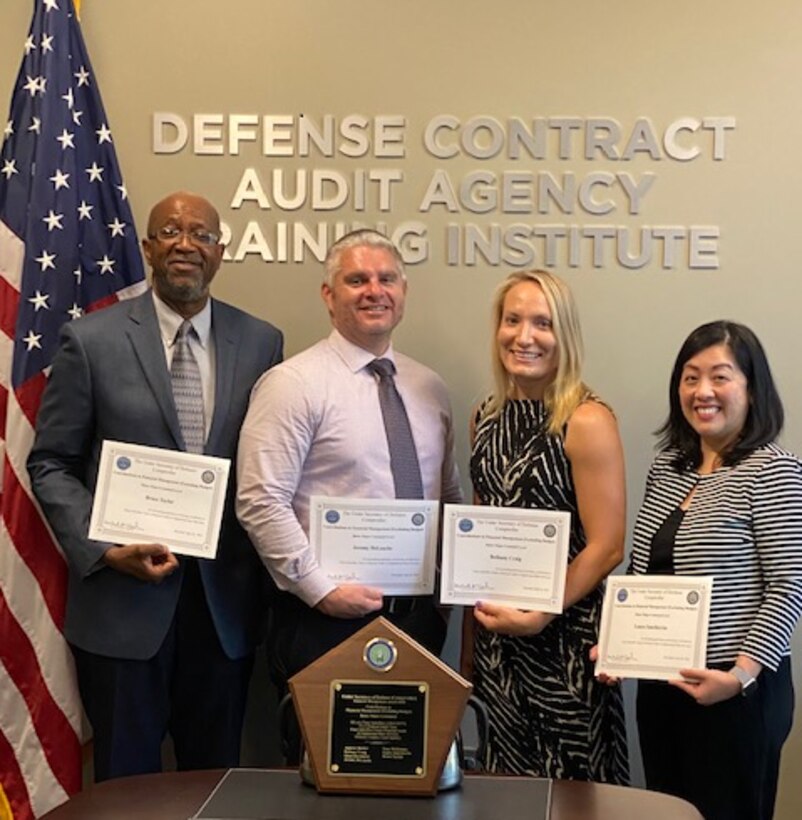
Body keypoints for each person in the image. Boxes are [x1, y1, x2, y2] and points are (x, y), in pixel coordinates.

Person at [27, 191, 284, 781]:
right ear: (147, 247)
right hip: (122, 608)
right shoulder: (90, 340)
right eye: (170, 232)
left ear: (221, 252)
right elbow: (52, 462)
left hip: (223, 607)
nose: (186, 244)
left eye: (201, 234)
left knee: (213, 783)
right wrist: (101, 550)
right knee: (124, 787)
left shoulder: (263, 342)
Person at [236, 229, 462, 691]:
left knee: (411, 759)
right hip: (324, 622)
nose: (374, 291)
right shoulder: (293, 384)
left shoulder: (429, 388)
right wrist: (321, 590)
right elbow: (260, 500)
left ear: (403, 292)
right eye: (357, 279)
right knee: (322, 763)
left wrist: (443, 592)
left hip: (417, 621)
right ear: (328, 294)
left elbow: (449, 495)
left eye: (387, 279)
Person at [630, 320, 802, 820]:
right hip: (664, 688)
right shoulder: (668, 467)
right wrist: (620, 642)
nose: (702, 391)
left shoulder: (774, 469)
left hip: (737, 693)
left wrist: (740, 675)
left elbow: (789, 586)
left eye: (720, 377)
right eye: (690, 376)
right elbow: (645, 576)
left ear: (751, 388)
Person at [466, 269, 628, 782]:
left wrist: (540, 612)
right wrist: (469, 655)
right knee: (502, 791)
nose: (525, 336)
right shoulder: (485, 416)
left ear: (565, 336)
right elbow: (479, 537)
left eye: (543, 323)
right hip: (498, 642)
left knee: (572, 796)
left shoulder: (586, 420)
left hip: (564, 643)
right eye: (512, 320)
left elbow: (607, 546)